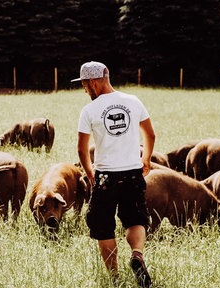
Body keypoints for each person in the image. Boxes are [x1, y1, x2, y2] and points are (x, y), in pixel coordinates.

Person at [72, 61, 156, 287]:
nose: (84, 89)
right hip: (133, 173)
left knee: (102, 225)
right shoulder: (133, 101)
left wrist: (90, 173)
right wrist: (145, 159)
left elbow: (81, 148)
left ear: (93, 82)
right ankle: (137, 254)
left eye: (84, 84)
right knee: (136, 218)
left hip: (106, 176)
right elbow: (150, 135)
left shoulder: (89, 110)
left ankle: (115, 278)